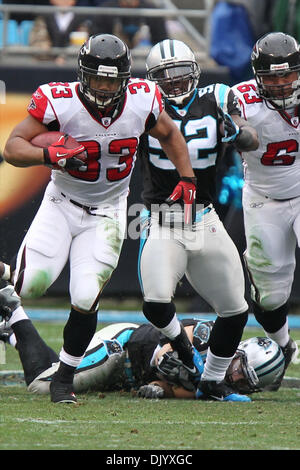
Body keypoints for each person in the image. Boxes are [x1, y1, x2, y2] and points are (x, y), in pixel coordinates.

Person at [3, 34, 196, 404]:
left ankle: (63, 379)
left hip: (107, 212)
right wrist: (50, 157)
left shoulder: (143, 99)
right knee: (29, 285)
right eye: (97, 79)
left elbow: (170, 132)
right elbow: (13, 147)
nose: (105, 87)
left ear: (125, 78)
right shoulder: (58, 101)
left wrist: (188, 178)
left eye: (112, 79)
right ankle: (8, 302)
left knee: (86, 295)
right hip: (61, 203)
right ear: (82, 75)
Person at [137, 39, 259, 402]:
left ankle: (212, 382)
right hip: (162, 218)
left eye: (179, 73)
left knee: (236, 308)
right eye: (165, 76)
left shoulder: (218, 97)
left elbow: (248, 136)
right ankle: (185, 353)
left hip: (204, 218)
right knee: (156, 301)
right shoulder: (144, 102)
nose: (173, 82)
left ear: (195, 71)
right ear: (153, 80)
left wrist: (240, 134)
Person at [0, 283, 286, 399]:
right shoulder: (209, 336)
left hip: (127, 377)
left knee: (55, 367)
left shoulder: (221, 390)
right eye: (240, 366)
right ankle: (14, 308)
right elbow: (170, 341)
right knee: (42, 385)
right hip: (121, 347)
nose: (235, 376)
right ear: (238, 350)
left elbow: (175, 390)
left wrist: (159, 389)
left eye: (245, 380)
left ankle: (11, 332)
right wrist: (166, 357)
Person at [232, 31, 300, 391]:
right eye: (272, 76)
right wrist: (242, 135)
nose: (280, 83)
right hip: (263, 197)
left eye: (287, 74)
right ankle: (286, 345)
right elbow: (246, 133)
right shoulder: (242, 97)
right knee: (271, 294)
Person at [90, 0, 168, 49]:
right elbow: (96, 41)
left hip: (144, 61)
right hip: (113, 59)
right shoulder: (105, 10)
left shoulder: (152, 12)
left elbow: (162, 42)